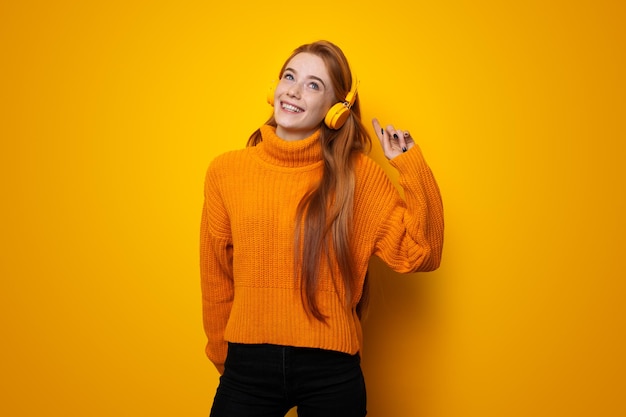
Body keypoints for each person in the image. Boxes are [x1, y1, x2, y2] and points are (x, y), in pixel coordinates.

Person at [200, 40, 444, 417]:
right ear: (274, 87)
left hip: (330, 369)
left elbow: (422, 253)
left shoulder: (358, 176)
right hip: (247, 365)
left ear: (335, 110)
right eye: (289, 76)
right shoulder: (226, 172)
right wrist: (223, 356)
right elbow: (216, 274)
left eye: (314, 85)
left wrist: (410, 166)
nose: (294, 91)